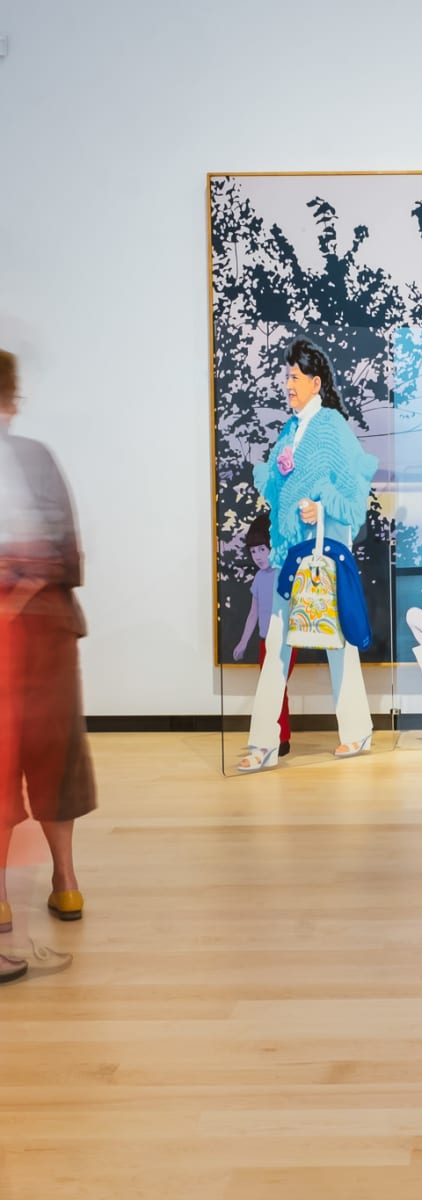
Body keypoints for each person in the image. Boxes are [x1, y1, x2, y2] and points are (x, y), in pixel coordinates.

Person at [238, 338, 378, 772]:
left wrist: (323, 506)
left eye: (294, 377)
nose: (287, 384)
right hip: (287, 555)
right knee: (277, 642)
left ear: (316, 382)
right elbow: (280, 489)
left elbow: (355, 493)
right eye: (286, 376)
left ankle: (356, 731)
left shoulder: (331, 426)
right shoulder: (289, 430)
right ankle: (263, 742)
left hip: (319, 554)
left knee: (336, 643)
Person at [0, 348, 97, 965]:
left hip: (23, 634)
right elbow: (67, 554)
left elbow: (59, 555)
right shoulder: (34, 458)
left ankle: (6, 896)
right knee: (54, 756)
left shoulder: (31, 458)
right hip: (48, 629)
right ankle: (65, 884)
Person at [232, 514, 296, 756]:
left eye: (262, 549)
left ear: (273, 548)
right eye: (253, 551)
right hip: (263, 643)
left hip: (284, 642)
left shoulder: (284, 573)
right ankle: (277, 737)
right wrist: (242, 642)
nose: (258, 555)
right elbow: (253, 614)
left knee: (276, 688)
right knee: (272, 689)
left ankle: (279, 737)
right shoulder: (259, 578)